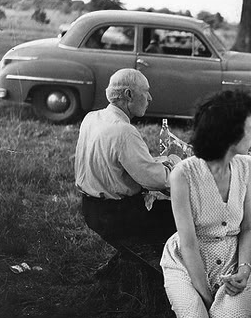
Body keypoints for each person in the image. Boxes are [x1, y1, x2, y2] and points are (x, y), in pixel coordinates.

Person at [161, 90, 251, 318]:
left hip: (232, 260)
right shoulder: (183, 174)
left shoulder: (246, 167)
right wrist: (207, 299)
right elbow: (189, 243)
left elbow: (249, 227)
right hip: (187, 261)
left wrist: (244, 269)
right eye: (249, 128)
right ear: (230, 133)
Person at [75, 68, 176, 247]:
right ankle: (163, 268)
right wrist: (178, 166)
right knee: (184, 215)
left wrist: (156, 163)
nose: (150, 98)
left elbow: (113, 162)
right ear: (129, 94)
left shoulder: (92, 117)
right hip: (117, 216)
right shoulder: (124, 131)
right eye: (146, 92)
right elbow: (156, 180)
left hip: (90, 208)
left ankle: (128, 260)